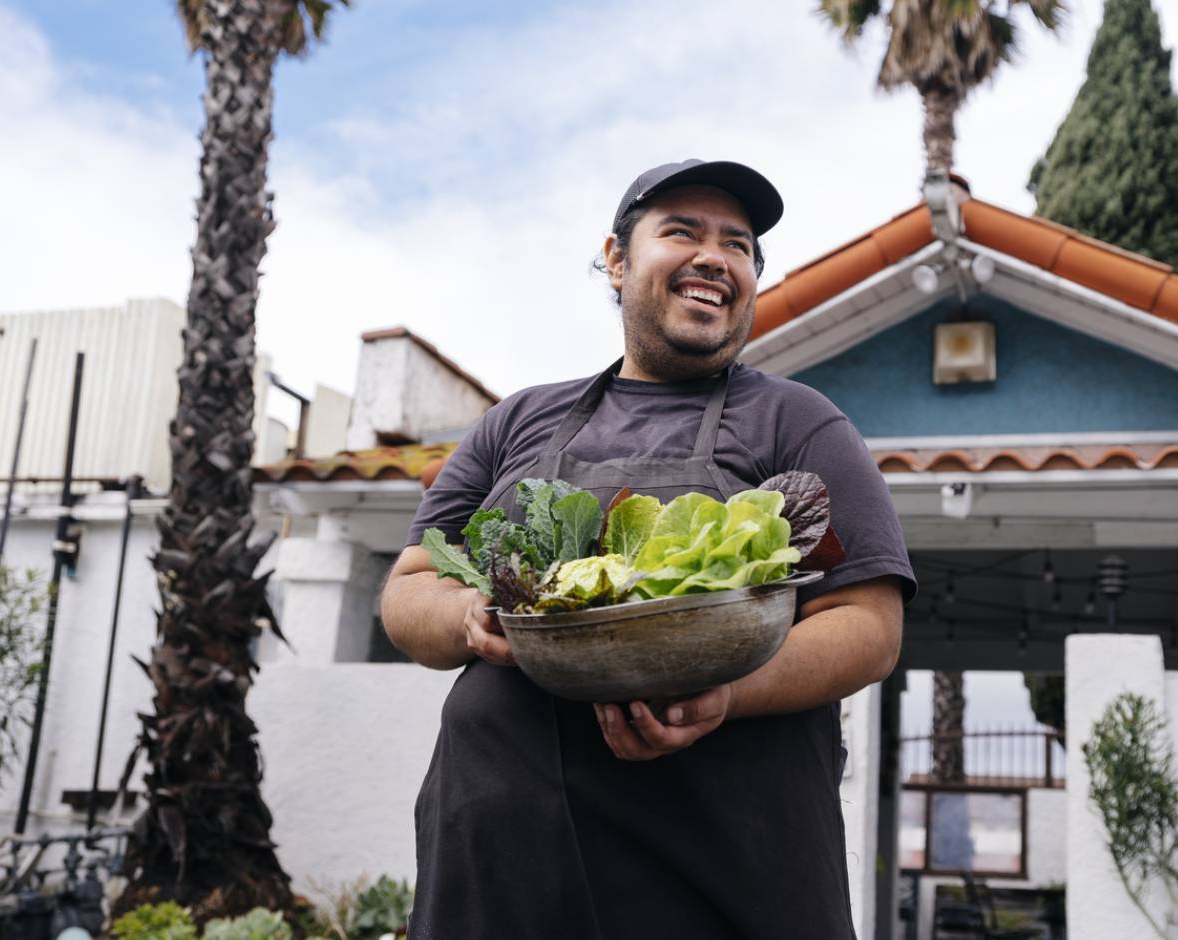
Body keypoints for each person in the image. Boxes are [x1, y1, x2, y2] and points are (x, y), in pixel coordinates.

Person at [379, 159, 916, 938]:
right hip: (501, 858)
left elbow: (869, 625)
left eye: (739, 245)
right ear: (617, 258)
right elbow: (409, 588)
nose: (716, 257)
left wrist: (725, 693)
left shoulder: (798, 421)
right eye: (683, 231)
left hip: (723, 859)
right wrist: (470, 614)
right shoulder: (517, 420)